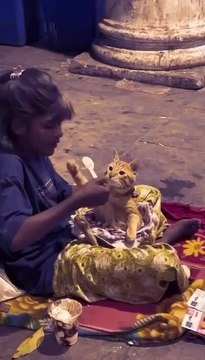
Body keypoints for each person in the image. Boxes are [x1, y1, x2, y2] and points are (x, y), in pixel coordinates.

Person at [0, 66, 199, 304]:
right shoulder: (8, 166)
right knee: (159, 266)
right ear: (19, 126)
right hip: (48, 264)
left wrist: (93, 192)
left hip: (70, 230)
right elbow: (15, 238)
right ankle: (158, 244)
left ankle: (139, 242)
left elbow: (64, 196)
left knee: (148, 194)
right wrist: (78, 200)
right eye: (50, 126)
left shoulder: (35, 150)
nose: (59, 133)